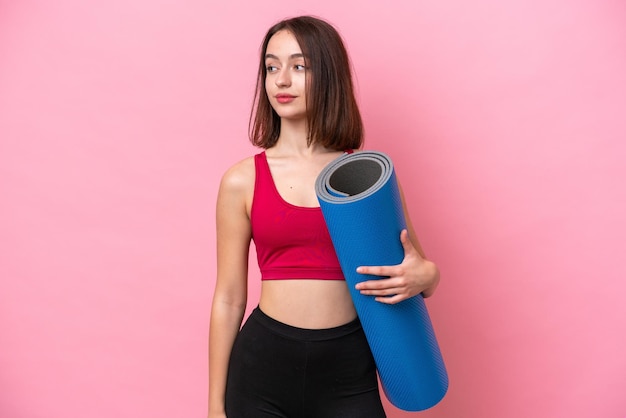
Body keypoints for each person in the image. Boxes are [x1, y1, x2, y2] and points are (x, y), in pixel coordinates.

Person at [208, 15, 440, 418]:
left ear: (328, 76)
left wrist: (429, 276)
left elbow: (419, 271)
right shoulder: (241, 180)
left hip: (349, 370)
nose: (281, 80)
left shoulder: (368, 176)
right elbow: (228, 298)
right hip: (262, 368)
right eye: (271, 66)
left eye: (299, 66)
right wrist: (214, 406)